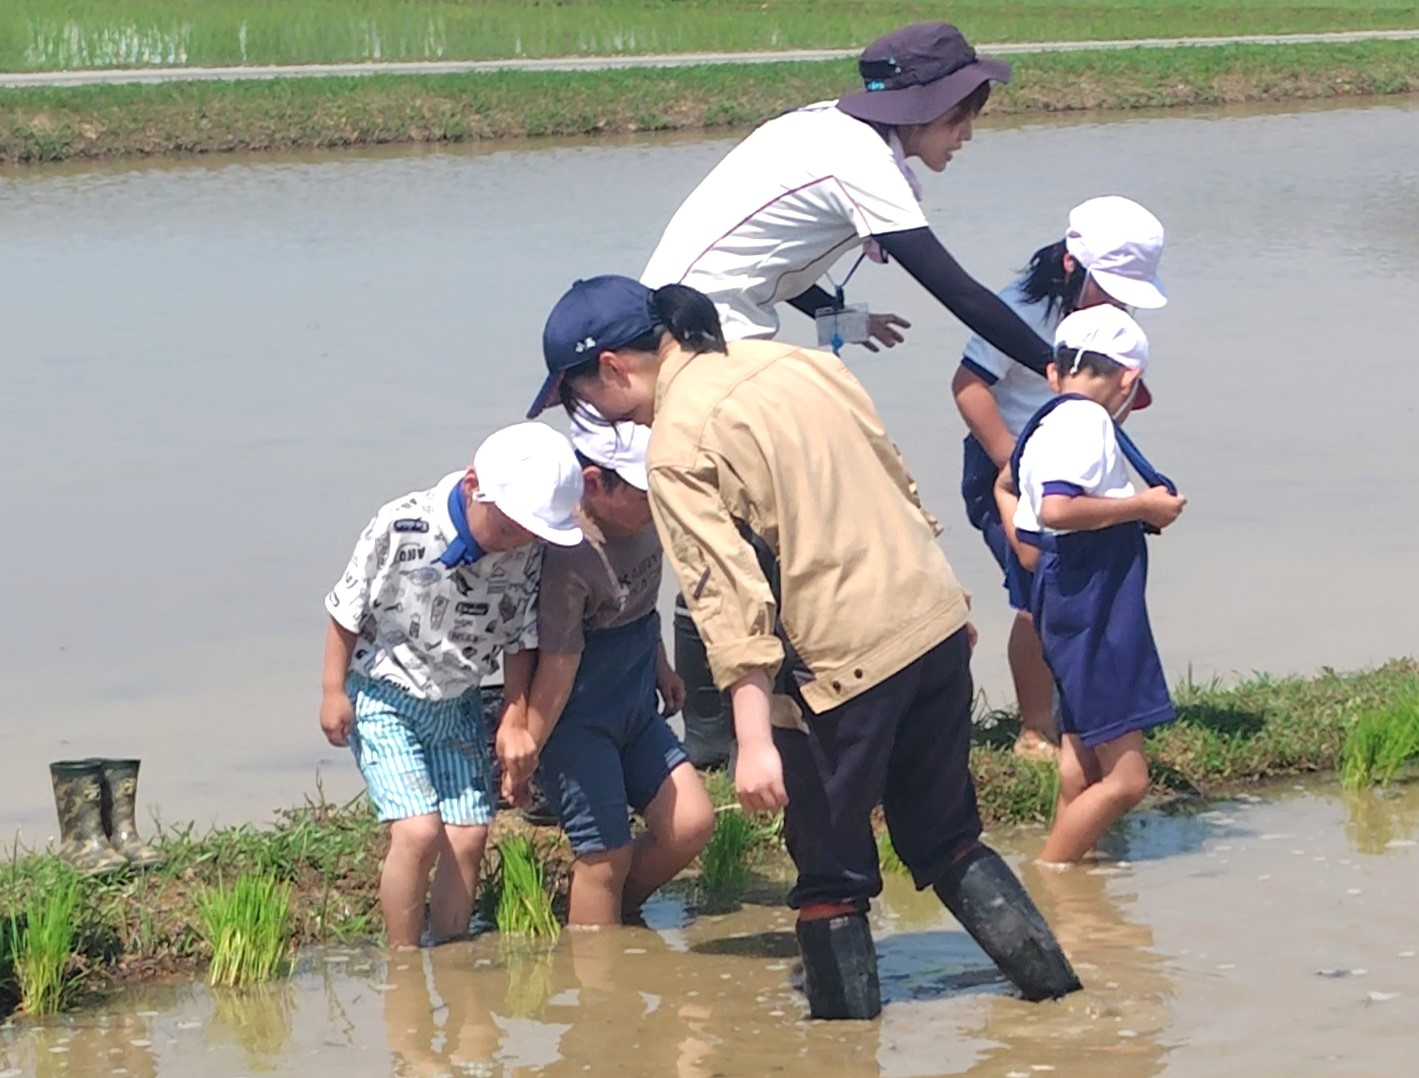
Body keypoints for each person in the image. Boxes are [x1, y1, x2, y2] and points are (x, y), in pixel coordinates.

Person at [527, 275, 1081, 1020]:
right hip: (934, 624)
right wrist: (946, 599)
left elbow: (726, 598)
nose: (596, 415)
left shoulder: (677, 444)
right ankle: (1061, 1000)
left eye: (581, 400)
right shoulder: (801, 363)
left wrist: (753, 740)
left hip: (840, 668)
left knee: (830, 877)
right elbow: (896, 479)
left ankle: (841, 1051)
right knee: (946, 836)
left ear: (613, 369)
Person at [641, 22, 1059, 765]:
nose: (966, 135)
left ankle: (730, 726)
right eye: (961, 117)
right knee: (757, 527)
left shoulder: (827, 129)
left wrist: (840, 316)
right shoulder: (862, 162)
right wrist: (1055, 367)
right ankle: (730, 729)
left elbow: (761, 249)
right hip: (709, 343)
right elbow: (954, 288)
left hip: (698, 323)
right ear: (923, 108)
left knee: (737, 527)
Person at [319, 422, 584, 947]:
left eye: (531, 533)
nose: (517, 542)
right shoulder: (401, 525)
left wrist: (514, 711)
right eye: (508, 528)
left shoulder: (526, 551)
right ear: (472, 486)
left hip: (458, 700)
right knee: (417, 831)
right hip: (385, 693)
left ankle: (452, 955)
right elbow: (346, 609)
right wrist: (332, 690)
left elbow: (519, 638)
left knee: (469, 835)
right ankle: (402, 959)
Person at [954, 196, 1167, 760]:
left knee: (1081, 589)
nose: (1119, 304)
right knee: (1037, 592)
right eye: (1111, 289)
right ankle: (1033, 729)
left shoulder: (1108, 320)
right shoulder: (1019, 309)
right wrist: (1014, 466)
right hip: (1007, 464)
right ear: (1072, 266)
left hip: (1072, 467)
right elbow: (968, 388)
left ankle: (1078, 715)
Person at [497, 415, 715, 927]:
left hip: (635, 705)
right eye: (644, 493)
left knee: (692, 823)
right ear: (594, 483)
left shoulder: (648, 524)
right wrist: (529, 747)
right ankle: (596, 963)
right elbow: (556, 662)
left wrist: (662, 666)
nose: (657, 503)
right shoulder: (570, 555)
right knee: (604, 855)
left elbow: (640, 603)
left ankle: (617, 915)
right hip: (579, 721)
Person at [994, 305, 1186, 865]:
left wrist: (1038, 561)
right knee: (1127, 780)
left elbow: (1010, 492)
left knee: (1081, 758)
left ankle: (1076, 884)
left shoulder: (1043, 424)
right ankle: (1051, 871)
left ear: (1054, 373)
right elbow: (1058, 509)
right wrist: (1143, 506)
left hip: (1065, 598)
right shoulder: (1087, 423)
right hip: (1095, 605)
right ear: (1129, 378)